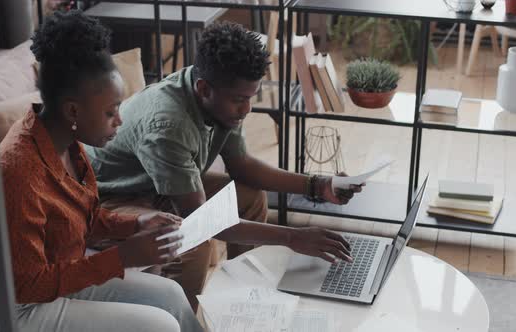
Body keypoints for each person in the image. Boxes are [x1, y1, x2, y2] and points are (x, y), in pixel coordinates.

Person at [86, 21, 363, 311]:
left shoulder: (220, 101)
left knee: (250, 197)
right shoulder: (168, 124)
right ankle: (182, 319)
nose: (246, 109)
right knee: (195, 243)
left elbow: (242, 166)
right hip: (110, 198)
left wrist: (318, 186)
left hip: (155, 185)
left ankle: (244, 300)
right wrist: (292, 236)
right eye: (239, 100)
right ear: (203, 88)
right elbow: (202, 220)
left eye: (250, 98)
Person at [0, 11, 203, 332]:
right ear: (73, 109)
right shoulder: (18, 171)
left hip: (56, 276)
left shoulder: (69, 143)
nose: (120, 121)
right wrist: (123, 257)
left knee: (170, 294)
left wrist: (136, 223)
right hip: (8, 307)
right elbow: (27, 284)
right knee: (160, 326)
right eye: (111, 112)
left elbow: (77, 220)